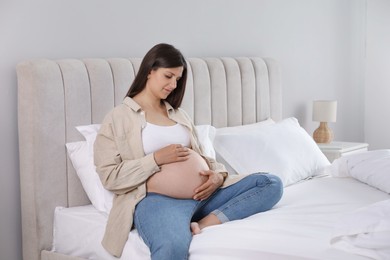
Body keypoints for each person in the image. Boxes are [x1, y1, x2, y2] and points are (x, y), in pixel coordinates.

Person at [94, 43, 283, 259]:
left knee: (270, 183)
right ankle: (184, 224)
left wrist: (216, 176)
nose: (174, 84)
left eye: (178, 79)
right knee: (172, 248)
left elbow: (203, 157)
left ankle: (201, 224)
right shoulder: (118, 118)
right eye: (168, 76)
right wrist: (155, 159)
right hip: (159, 200)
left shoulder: (179, 115)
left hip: (206, 196)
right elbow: (110, 177)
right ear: (149, 71)